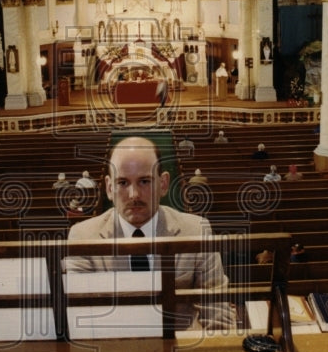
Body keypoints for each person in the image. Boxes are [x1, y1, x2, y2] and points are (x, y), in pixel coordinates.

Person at [65, 136, 235, 330]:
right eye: (122, 183)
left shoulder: (197, 230)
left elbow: (218, 314)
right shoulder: (82, 236)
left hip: (179, 351)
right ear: (109, 188)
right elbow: (80, 316)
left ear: (163, 184)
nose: (134, 195)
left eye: (144, 181)